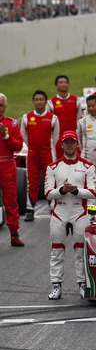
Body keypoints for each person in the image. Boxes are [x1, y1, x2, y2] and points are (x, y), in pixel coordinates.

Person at [45, 130, 96, 299]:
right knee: (56, 250)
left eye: (72, 142)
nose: (69, 145)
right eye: (66, 142)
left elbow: (93, 192)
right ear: (61, 145)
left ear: (77, 144)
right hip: (59, 211)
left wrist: (75, 190)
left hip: (79, 211)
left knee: (80, 251)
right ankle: (56, 285)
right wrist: (62, 190)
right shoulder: (52, 167)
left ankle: (82, 284)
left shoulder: (88, 166)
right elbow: (48, 193)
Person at [20, 90, 59, 222]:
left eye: (41, 99)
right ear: (33, 102)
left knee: (50, 182)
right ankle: (30, 210)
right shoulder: (26, 117)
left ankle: (53, 208)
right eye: (37, 99)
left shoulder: (53, 118)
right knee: (32, 183)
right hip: (32, 155)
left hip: (48, 153)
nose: (39, 102)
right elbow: (24, 137)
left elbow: (56, 138)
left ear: (46, 102)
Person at [0, 94, 25, 246]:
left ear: (5, 106)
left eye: (1, 105)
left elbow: (19, 146)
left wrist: (6, 136)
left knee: (11, 200)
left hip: (7, 164)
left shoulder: (12, 124)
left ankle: (14, 233)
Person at [48, 74, 81, 158]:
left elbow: (78, 119)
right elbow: (50, 124)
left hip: (73, 139)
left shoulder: (76, 100)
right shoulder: (51, 103)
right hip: (59, 141)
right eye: (61, 82)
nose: (64, 84)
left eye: (66, 82)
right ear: (56, 86)